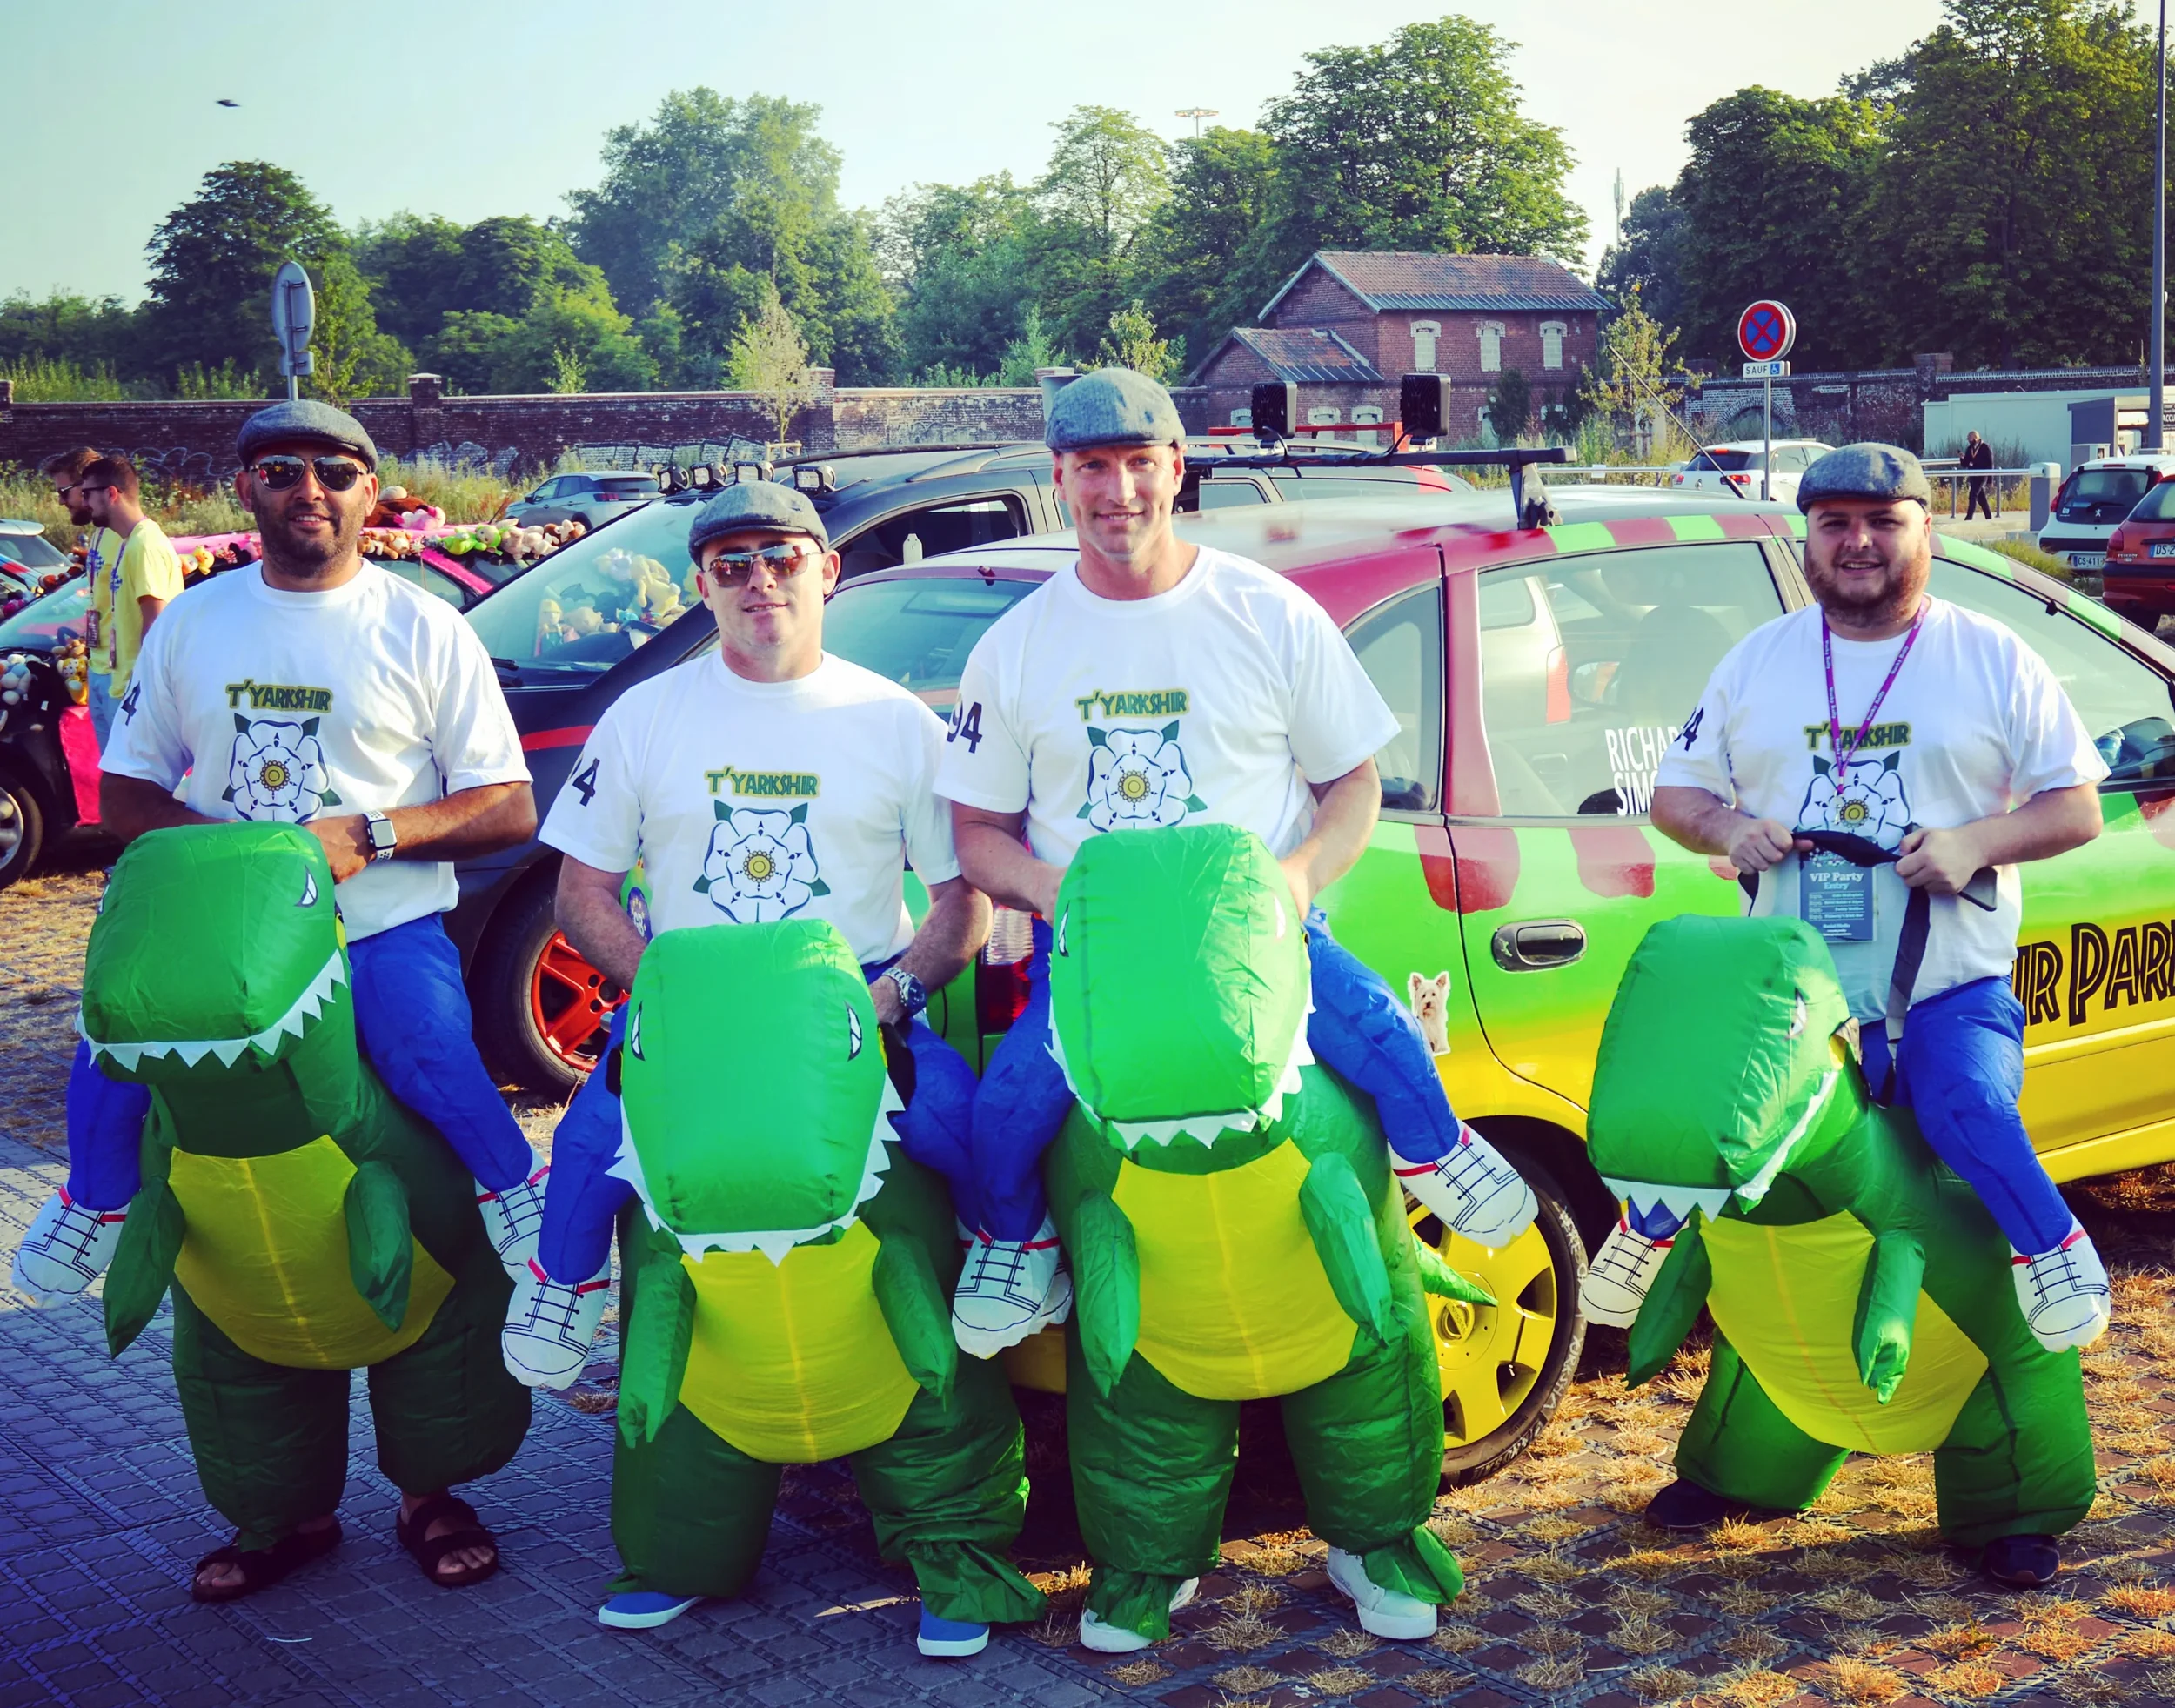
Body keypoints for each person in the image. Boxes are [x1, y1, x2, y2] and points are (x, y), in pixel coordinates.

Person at [14, 404, 573, 1545]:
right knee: (114, 1041)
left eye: (334, 471)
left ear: (372, 493)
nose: (307, 489)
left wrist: (373, 833)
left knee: (428, 1049)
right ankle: (93, 1199)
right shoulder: (199, 622)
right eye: (280, 471)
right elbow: (125, 791)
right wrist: (232, 862)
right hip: (230, 947)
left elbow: (507, 801)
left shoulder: (424, 628)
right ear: (247, 489)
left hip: (376, 930)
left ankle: (511, 1197)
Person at [936, 368, 1536, 1356]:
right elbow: (977, 837)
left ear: (1176, 468)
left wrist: (1295, 880)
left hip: (1263, 945)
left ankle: (1436, 1150)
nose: (1118, 490)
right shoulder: (1013, 649)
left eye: (1139, 462)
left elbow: (1353, 785)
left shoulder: (1269, 611)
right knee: (1006, 1110)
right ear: (1059, 476)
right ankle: (1018, 1241)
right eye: (1093, 466)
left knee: (1384, 1036)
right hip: (1095, 965)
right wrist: (1059, 893)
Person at [1584, 443, 2111, 1364]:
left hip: (1948, 983)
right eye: (1833, 523)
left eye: (1881, 521)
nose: (1856, 542)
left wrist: (1974, 844)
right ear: (1807, 539)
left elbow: (2076, 806)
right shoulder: (1757, 660)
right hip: (1792, 994)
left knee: (1967, 1105)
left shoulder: (1991, 655)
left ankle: (2054, 1248)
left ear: (1926, 531)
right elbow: (1676, 797)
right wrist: (1727, 829)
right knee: (1712, 1105)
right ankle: (1650, 1224)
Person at [526, 479, 993, 1403]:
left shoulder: (896, 721)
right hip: (695, 996)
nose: (759, 582)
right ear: (701, 585)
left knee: (961, 1124)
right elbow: (578, 893)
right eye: (731, 565)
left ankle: (1004, 1248)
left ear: (827, 569)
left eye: (781, 560)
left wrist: (891, 998)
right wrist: (665, 985)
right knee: (588, 1144)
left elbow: (963, 902)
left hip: (852, 999)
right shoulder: (644, 716)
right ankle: (563, 1286)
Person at [78, 456, 183, 747]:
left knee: (138, 787)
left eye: (87, 494)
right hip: (120, 685)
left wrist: (144, 693)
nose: (84, 502)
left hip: (135, 694)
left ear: (111, 493)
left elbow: (156, 624)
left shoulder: (145, 544)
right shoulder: (130, 540)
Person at [40, 449, 111, 736]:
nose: (60, 500)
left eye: (64, 491)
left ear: (87, 485)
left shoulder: (133, 540)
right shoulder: (99, 537)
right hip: (100, 672)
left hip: (124, 682)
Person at [1962, 431, 1997, 522]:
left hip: (1982, 476)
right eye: (1968, 439)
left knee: (1973, 495)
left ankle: (1969, 517)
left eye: (1970, 439)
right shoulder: (1970, 448)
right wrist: (1962, 458)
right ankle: (1988, 516)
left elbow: (1990, 464)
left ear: (1976, 438)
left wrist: (1990, 480)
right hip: (1973, 475)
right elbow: (1966, 463)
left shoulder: (1985, 448)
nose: (1969, 441)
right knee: (1981, 498)